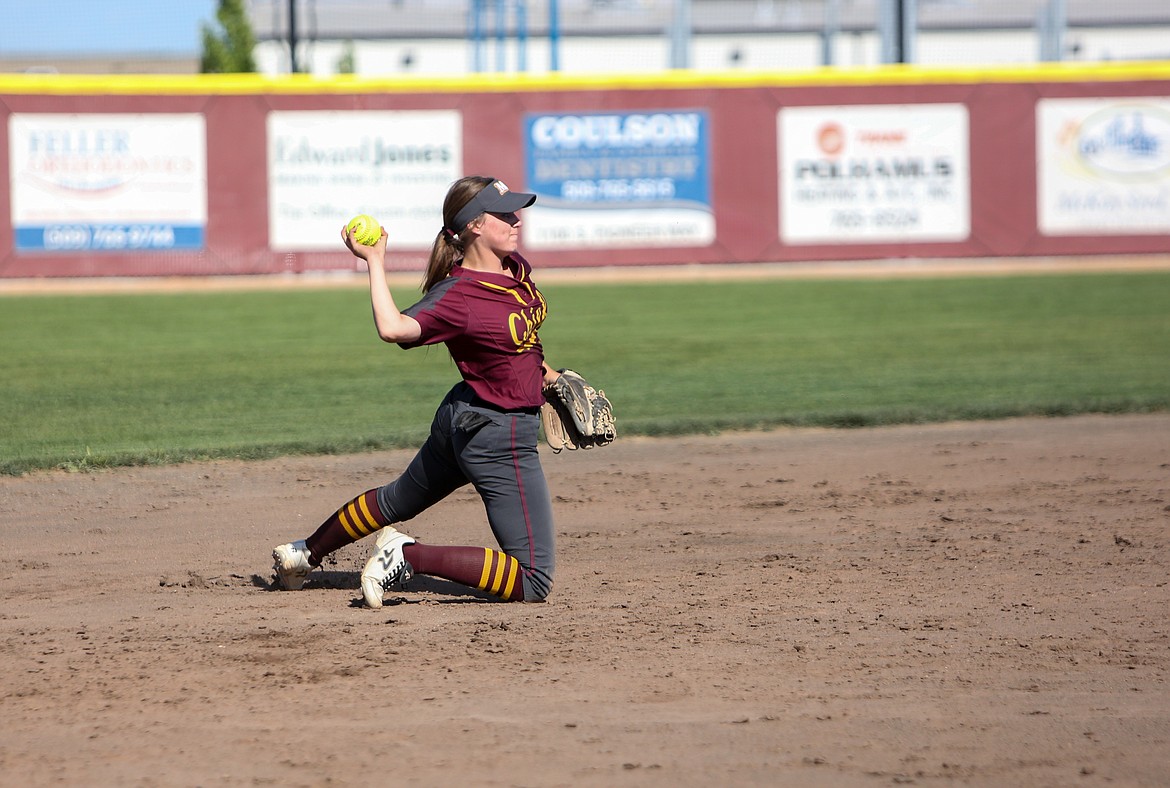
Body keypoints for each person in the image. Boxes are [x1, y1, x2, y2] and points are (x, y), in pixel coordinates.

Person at [271, 176, 560, 607]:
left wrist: (554, 380)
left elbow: (521, 346)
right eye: (504, 214)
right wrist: (374, 261)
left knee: (396, 499)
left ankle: (303, 554)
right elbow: (392, 328)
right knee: (533, 579)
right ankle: (406, 555)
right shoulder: (457, 296)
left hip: (464, 415)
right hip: (497, 435)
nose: (516, 220)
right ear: (475, 225)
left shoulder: (514, 267)